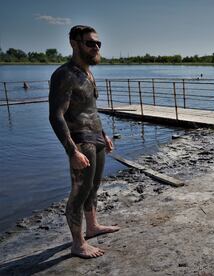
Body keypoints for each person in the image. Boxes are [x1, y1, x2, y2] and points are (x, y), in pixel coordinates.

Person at [49, 25, 120, 259]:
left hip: (96, 138)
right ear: (74, 43)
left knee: (93, 187)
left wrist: (104, 135)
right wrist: (72, 151)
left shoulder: (88, 73)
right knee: (79, 192)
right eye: (90, 43)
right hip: (80, 141)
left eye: (98, 43)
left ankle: (92, 227)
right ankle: (78, 244)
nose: (96, 47)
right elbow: (56, 115)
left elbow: (90, 111)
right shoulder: (64, 74)